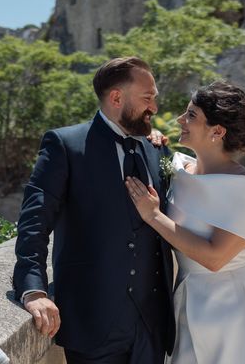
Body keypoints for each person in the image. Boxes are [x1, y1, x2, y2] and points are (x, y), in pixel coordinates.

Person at [12, 57, 175, 364]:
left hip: (152, 326)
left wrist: (234, 245)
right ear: (117, 98)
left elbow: (182, 206)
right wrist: (33, 290)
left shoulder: (156, 148)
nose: (154, 107)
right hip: (92, 325)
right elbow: (35, 222)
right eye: (147, 98)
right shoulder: (65, 144)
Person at [126, 81, 245, 363]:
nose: (179, 120)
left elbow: (215, 257)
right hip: (186, 303)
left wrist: (154, 215)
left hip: (232, 312)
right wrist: (152, 138)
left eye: (191, 115)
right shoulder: (179, 168)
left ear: (217, 132)